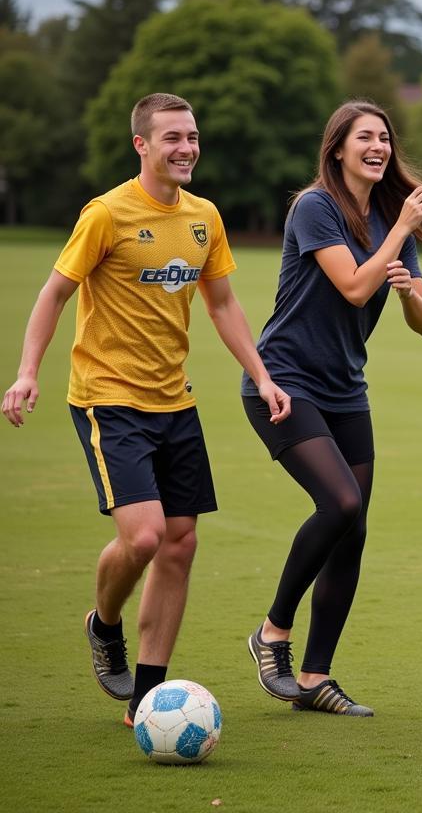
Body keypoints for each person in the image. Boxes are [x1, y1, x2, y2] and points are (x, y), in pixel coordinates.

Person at [1, 92, 291, 727]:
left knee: (180, 544)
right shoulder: (106, 214)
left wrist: (262, 375)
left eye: (191, 136)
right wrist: (27, 373)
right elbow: (54, 295)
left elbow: (221, 305)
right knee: (146, 535)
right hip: (109, 399)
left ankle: (147, 698)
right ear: (142, 145)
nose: (186, 147)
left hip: (175, 400)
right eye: (171, 138)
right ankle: (104, 624)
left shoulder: (204, 217)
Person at [243, 100, 422, 717]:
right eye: (365, 138)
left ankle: (316, 678)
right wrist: (399, 231)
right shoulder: (315, 207)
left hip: (347, 389)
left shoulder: (386, 215)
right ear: (339, 150)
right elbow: (351, 284)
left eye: (384, 138)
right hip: (284, 382)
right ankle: (272, 633)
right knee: (341, 502)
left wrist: (407, 294)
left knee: (354, 531)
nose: (378, 146)